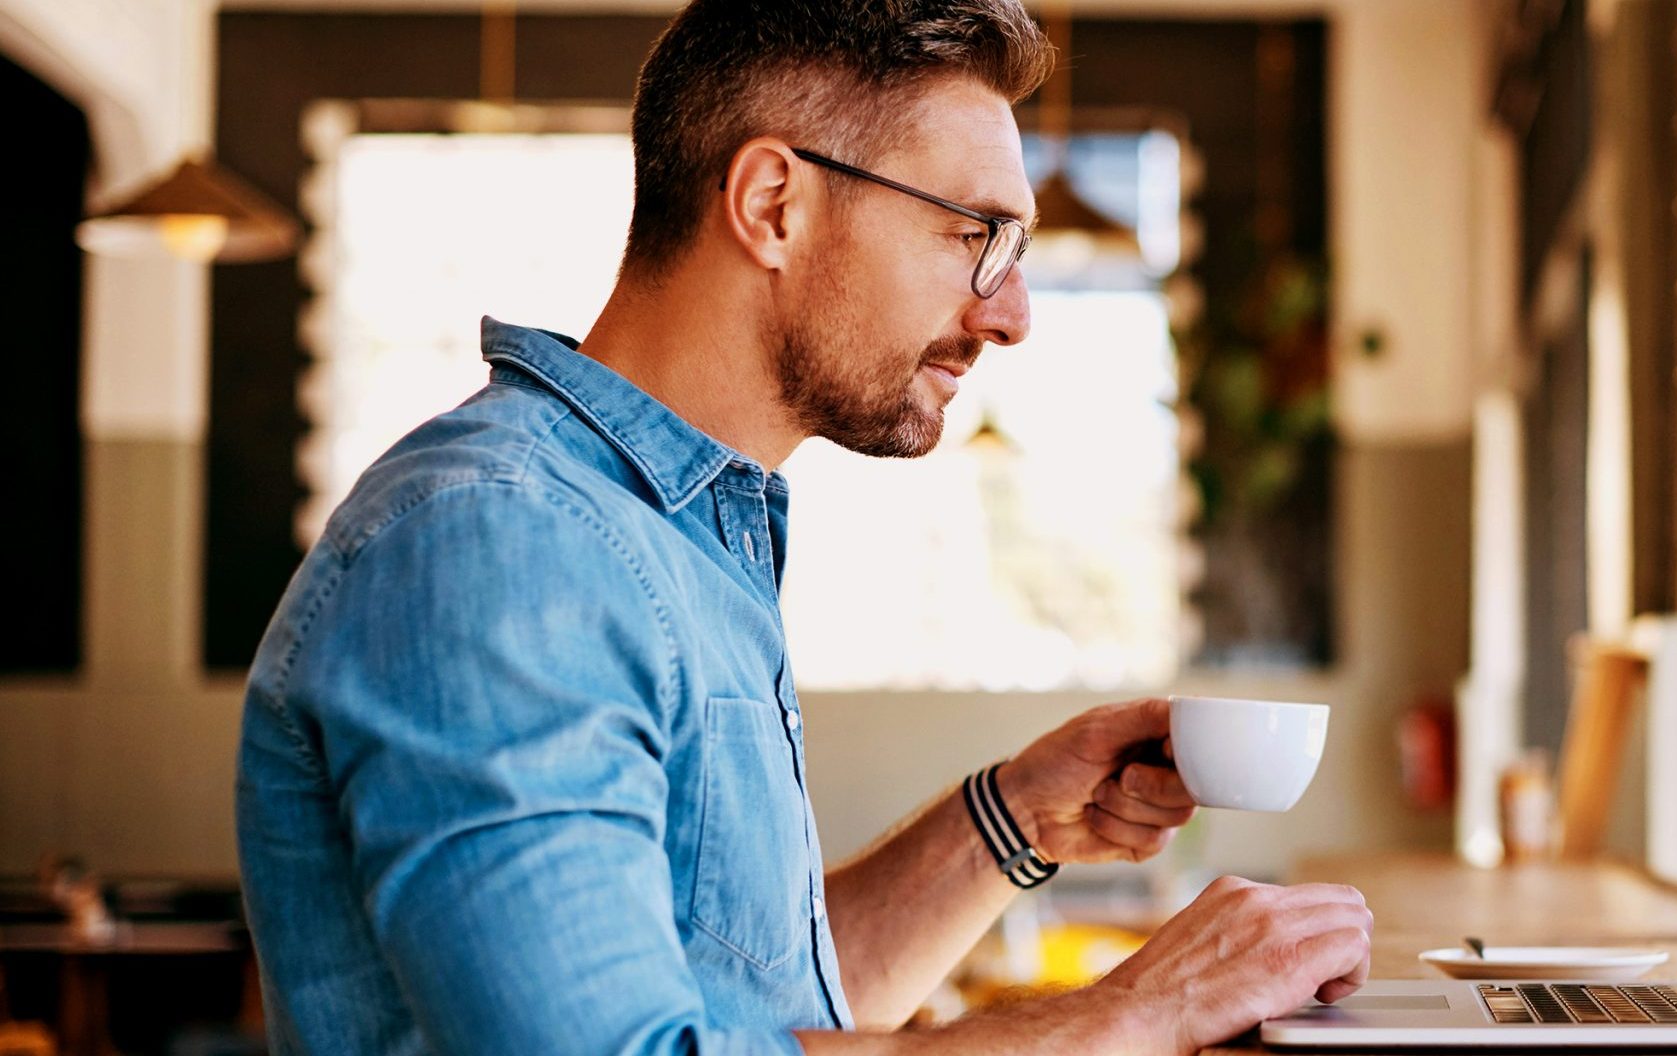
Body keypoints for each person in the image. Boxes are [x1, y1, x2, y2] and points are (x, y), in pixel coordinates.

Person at [231, 1, 1371, 1052]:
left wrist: (1011, 818)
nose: (1011, 312)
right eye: (976, 233)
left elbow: (760, 1019)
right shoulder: (500, 543)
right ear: (774, 204)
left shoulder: (667, 538)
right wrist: (1142, 1009)